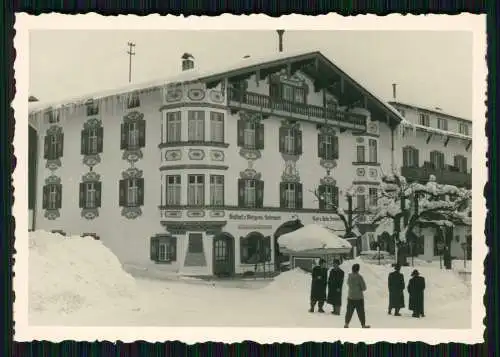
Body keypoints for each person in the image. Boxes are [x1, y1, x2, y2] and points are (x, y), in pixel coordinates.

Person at [344, 263, 370, 328]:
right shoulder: (359, 277)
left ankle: (346, 324)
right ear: (358, 269)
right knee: (361, 312)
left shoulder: (349, 276)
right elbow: (364, 288)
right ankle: (363, 325)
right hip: (359, 298)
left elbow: (348, 284)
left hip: (350, 297)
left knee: (349, 312)